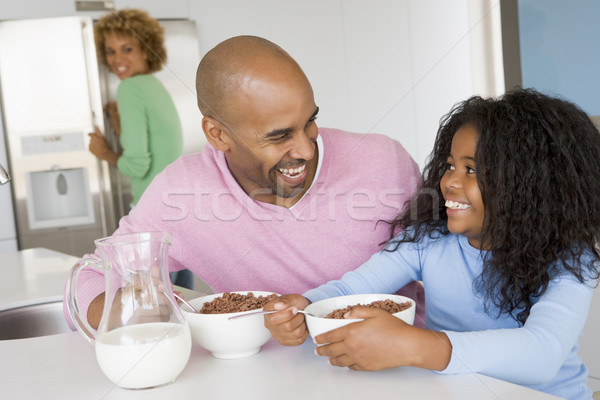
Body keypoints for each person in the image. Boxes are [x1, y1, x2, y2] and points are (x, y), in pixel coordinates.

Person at [63, 35, 423, 330]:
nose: (305, 150)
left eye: (309, 122)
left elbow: (459, 266)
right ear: (217, 134)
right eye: (279, 136)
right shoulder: (181, 192)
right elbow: (92, 275)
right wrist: (132, 311)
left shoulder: (384, 162)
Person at [264, 88, 600, 400]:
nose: (450, 181)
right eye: (451, 165)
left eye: (472, 170)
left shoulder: (570, 259)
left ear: (532, 186)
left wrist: (415, 346)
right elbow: (353, 287)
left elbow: (542, 353)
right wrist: (304, 305)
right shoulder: (428, 240)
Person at [87, 9, 192, 288]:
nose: (117, 59)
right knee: (180, 299)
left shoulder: (130, 88)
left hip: (151, 214)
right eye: (110, 51)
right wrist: (121, 126)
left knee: (152, 306)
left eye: (127, 49)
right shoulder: (153, 86)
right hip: (178, 213)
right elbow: (157, 147)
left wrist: (104, 152)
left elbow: (137, 165)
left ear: (147, 50)